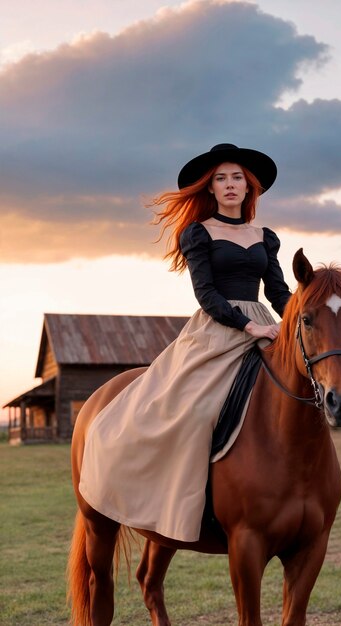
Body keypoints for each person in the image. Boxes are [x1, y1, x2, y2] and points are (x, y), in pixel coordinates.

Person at [79, 143, 292, 542]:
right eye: (220, 178)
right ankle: (181, 502)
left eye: (237, 178)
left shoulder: (266, 236)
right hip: (217, 330)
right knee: (192, 412)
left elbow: (278, 292)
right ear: (210, 189)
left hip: (265, 327)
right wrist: (249, 327)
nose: (230, 185)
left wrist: (298, 318)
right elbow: (206, 294)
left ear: (250, 188)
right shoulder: (197, 233)